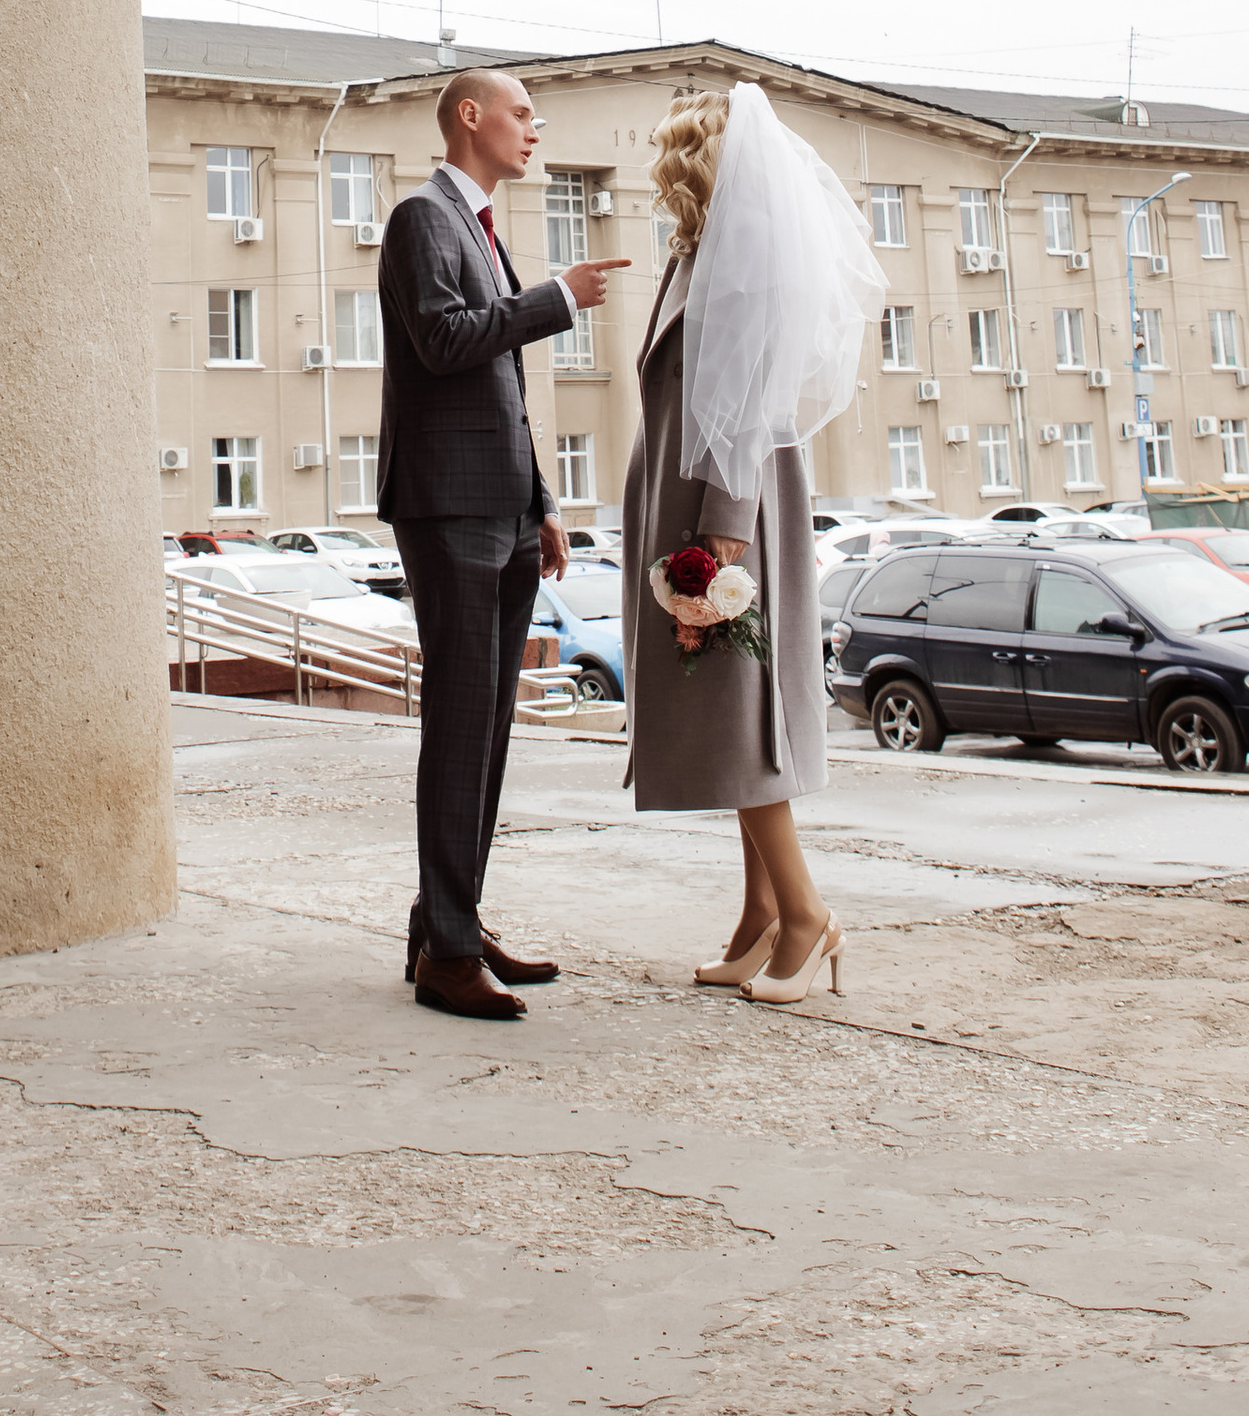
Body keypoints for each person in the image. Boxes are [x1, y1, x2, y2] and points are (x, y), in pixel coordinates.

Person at [623, 83, 884, 1005]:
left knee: (742, 719)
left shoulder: (746, 262)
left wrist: (720, 543)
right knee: (733, 719)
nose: (659, 172)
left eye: (670, 156)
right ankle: (760, 914)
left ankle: (807, 916)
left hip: (727, 517)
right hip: (695, 505)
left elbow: (748, 409)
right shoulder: (700, 254)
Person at [377, 67, 626, 1019]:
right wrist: (558, 298)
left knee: (486, 729)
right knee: (459, 727)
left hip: (504, 510)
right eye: (523, 113)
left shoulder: (480, 225)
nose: (535, 128)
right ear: (470, 117)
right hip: (448, 509)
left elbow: (502, 388)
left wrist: (543, 502)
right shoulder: (422, 218)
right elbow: (445, 342)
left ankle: (449, 922)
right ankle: (446, 955)